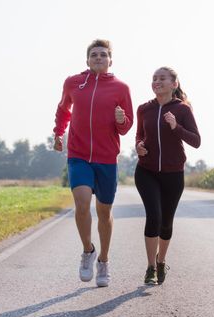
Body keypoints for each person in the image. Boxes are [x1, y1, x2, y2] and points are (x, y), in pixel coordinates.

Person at [53, 39, 133, 287]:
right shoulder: (73, 83)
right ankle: (88, 251)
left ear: (110, 60)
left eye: (103, 55)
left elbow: (126, 127)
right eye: (94, 54)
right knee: (82, 203)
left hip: (106, 158)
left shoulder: (121, 88)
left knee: (104, 211)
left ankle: (104, 261)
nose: (98, 58)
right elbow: (64, 109)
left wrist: (121, 119)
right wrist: (58, 133)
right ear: (87, 60)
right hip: (78, 155)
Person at [134, 67, 201, 285]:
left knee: (166, 222)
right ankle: (150, 267)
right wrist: (139, 146)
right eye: (154, 78)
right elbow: (139, 137)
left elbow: (196, 141)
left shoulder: (182, 109)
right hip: (146, 171)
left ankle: (161, 261)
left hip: (173, 173)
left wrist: (176, 127)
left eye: (162, 78)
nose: (157, 82)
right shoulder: (144, 109)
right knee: (154, 216)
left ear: (174, 84)